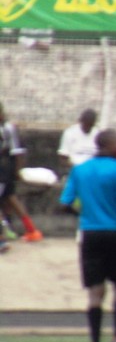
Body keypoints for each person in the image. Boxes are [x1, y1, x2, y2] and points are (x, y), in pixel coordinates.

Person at [59, 130, 116, 342]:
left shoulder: (80, 170)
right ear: (112, 146)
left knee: (95, 291)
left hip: (91, 233)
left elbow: (65, 202)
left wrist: (84, 214)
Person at [0, 101, 43, 242]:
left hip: (4, 169)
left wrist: (18, 171)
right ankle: (31, 230)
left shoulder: (8, 128)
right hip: (7, 169)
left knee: (10, 199)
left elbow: (17, 152)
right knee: (10, 198)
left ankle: (2, 237)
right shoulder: (8, 128)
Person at [57, 108, 100, 172]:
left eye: (90, 126)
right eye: (86, 125)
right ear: (81, 122)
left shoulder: (97, 133)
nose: (87, 128)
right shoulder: (70, 132)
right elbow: (63, 157)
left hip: (93, 170)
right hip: (75, 169)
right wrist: (77, 168)